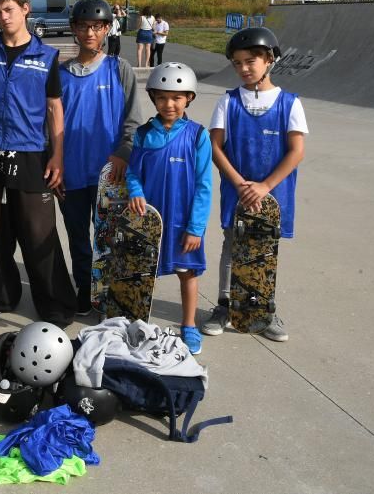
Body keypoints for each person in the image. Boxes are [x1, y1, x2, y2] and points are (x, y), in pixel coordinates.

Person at [0, 0, 76, 327]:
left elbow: (55, 109)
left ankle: (54, 303)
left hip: (30, 152)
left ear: (26, 9)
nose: (3, 17)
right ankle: (0, 295)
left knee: (38, 231)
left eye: (9, 9)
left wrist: (57, 156)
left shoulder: (47, 56)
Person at [201, 27, 307, 342]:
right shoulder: (229, 101)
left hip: (272, 194)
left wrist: (264, 186)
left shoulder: (289, 103)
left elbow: (296, 151)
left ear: (269, 60)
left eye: (250, 61)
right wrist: (239, 183)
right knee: (232, 245)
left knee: (264, 250)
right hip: (237, 191)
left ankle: (262, 309)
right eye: (237, 63)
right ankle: (224, 306)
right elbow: (215, 146)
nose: (244, 68)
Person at [58, 0, 145, 315]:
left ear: (107, 28)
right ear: (74, 30)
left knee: (109, 236)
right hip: (71, 172)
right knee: (78, 236)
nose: (90, 32)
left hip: (111, 173)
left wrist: (123, 153)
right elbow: (49, 125)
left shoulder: (119, 69)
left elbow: (133, 122)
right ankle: (85, 287)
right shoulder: (61, 73)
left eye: (97, 26)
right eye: (83, 26)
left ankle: (110, 290)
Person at [126, 62, 212, 355]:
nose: (169, 104)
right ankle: (137, 323)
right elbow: (133, 172)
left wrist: (196, 227)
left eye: (177, 97)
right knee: (141, 272)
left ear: (189, 98)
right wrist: (135, 190)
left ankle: (189, 325)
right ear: (152, 98)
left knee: (187, 273)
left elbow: (204, 185)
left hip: (182, 221)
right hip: (151, 220)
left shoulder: (198, 135)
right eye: (162, 97)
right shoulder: (144, 133)